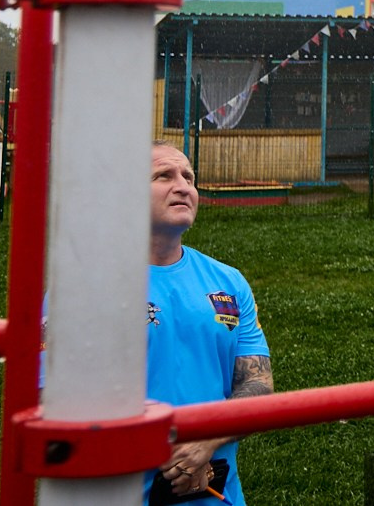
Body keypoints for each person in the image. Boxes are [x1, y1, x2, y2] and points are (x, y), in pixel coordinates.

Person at [146, 143, 273, 505]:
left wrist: (205, 443)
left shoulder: (228, 282)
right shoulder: (87, 287)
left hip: (217, 493)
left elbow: (256, 383)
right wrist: (169, 461)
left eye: (188, 177)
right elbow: (54, 397)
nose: (183, 186)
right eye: (163, 176)